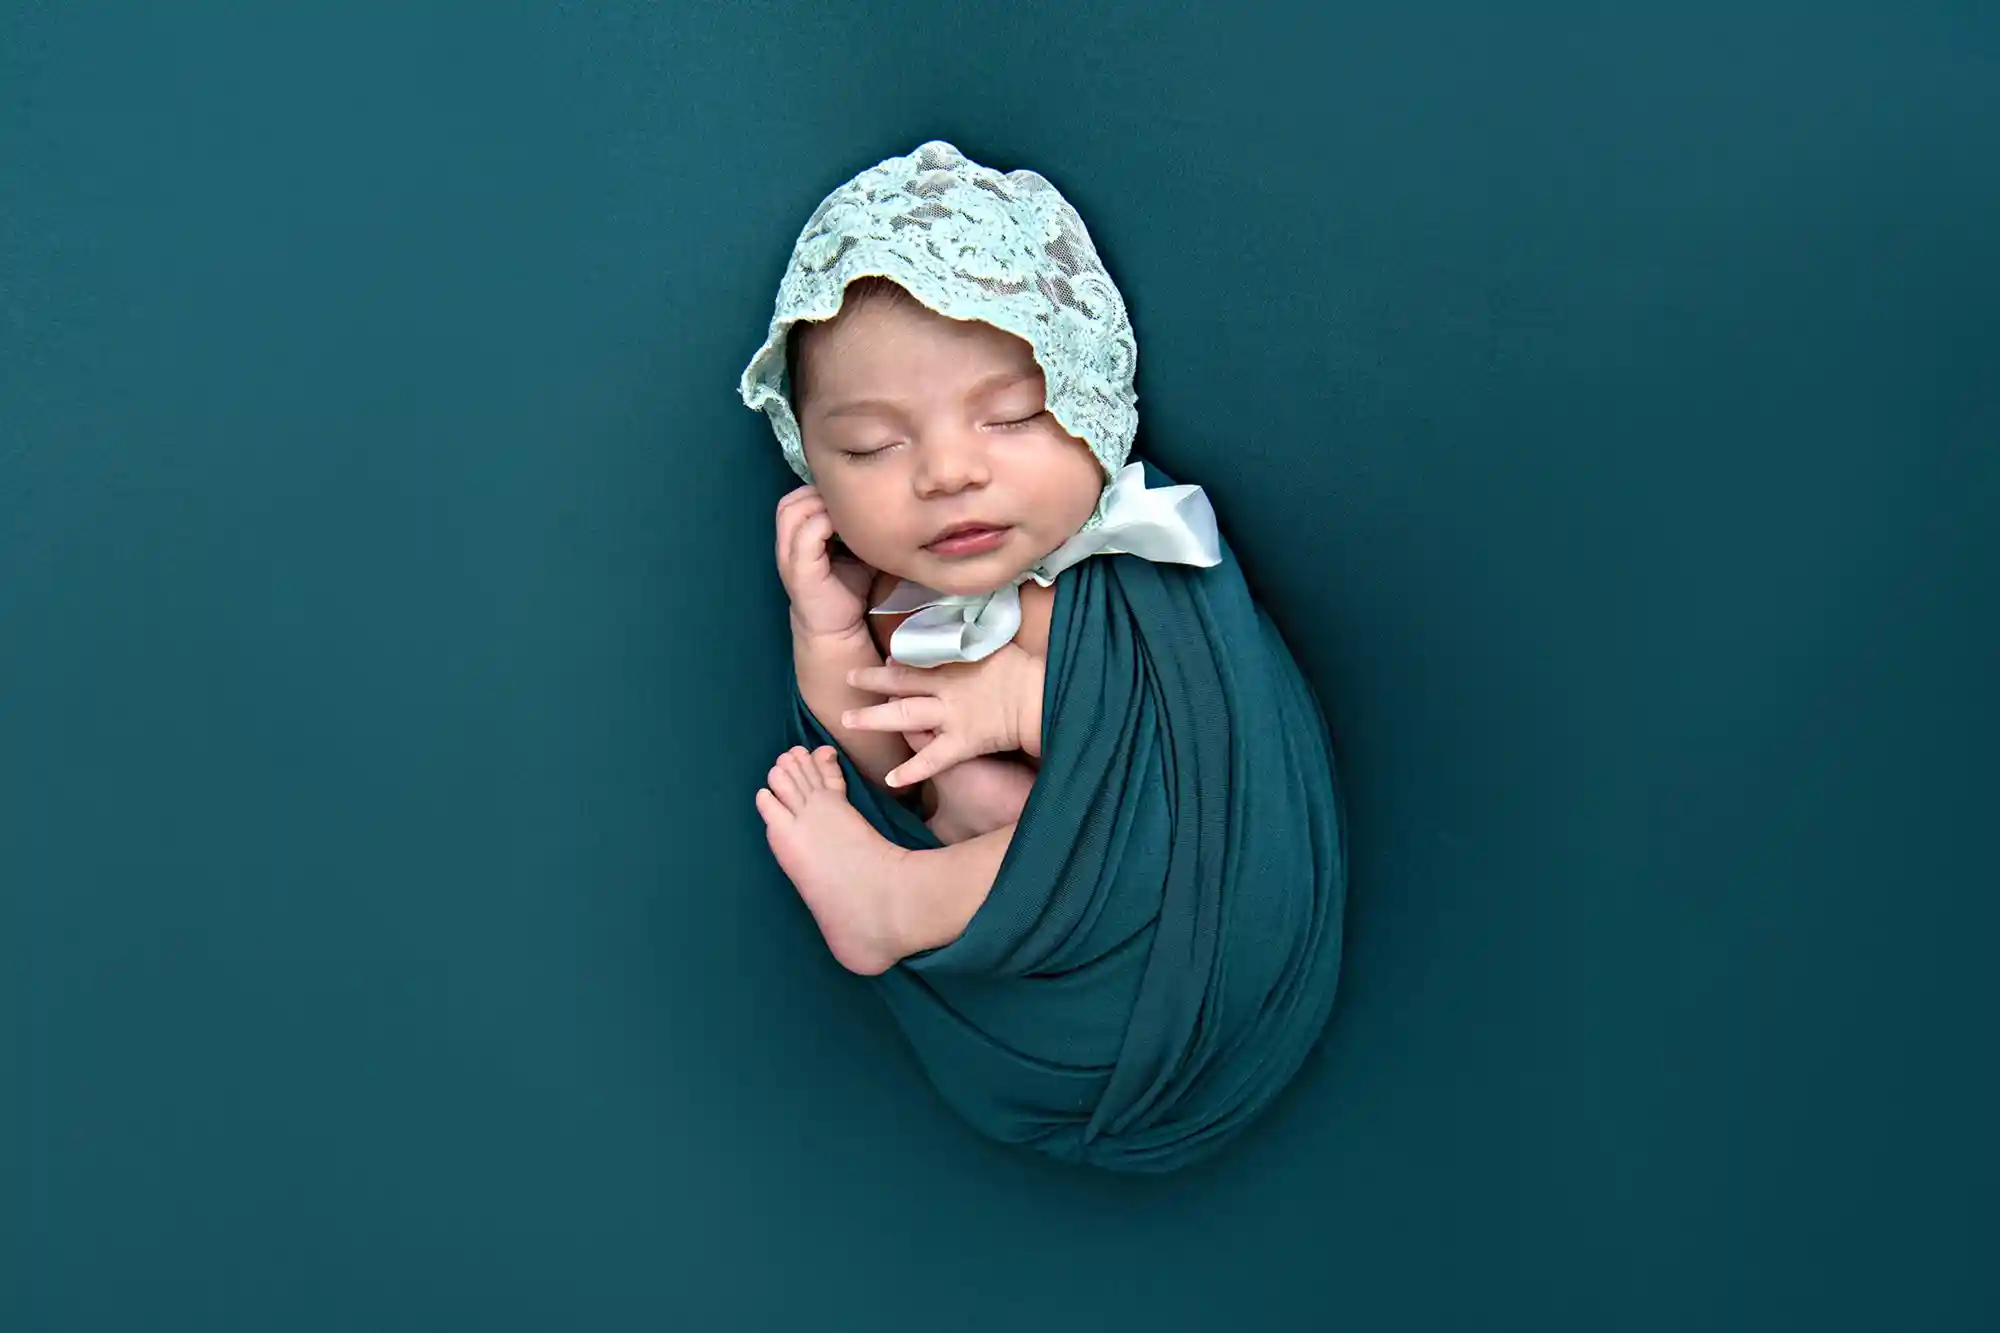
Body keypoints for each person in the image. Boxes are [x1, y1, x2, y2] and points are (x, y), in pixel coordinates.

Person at [738, 141, 1346, 1172]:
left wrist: (1022, 701)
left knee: (1130, 827)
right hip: (1042, 1010)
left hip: (1197, 925)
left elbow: (1203, 745)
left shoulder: (1132, 563)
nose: (947, 472)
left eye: (1012, 415)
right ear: (809, 464)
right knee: (948, 788)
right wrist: (829, 633)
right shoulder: (897, 604)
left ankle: (899, 903)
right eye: (872, 447)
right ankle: (936, 872)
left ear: (1089, 397)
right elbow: (885, 763)